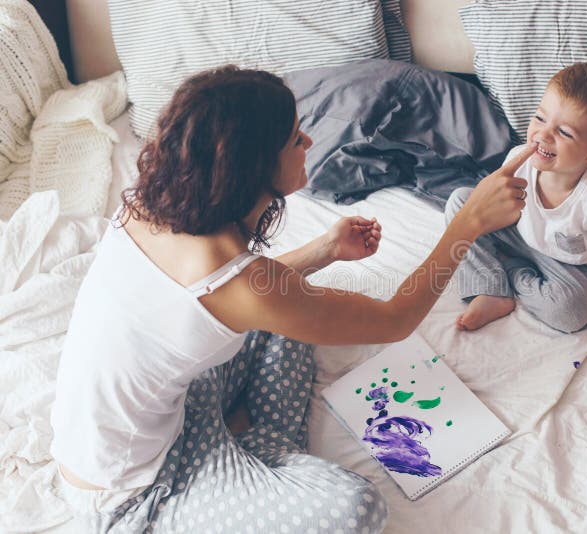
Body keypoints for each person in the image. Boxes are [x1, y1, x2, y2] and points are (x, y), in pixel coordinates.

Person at [50, 65, 535, 533]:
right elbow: (394, 320)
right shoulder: (239, 283)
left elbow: (223, 301)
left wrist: (324, 250)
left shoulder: (150, 203)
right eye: (293, 139)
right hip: (135, 493)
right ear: (252, 166)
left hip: (175, 407)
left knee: (295, 318)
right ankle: (257, 455)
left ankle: (248, 443)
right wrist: (466, 224)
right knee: (355, 509)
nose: (307, 143)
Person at [445, 61, 587, 358]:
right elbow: (496, 202)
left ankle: (507, 272)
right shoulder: (520, 159)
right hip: (523, 233)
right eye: (540, 118)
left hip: (577, 264)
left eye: (564, 132)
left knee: (569, 313)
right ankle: (490, 288)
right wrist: (484, 214)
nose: (543, 135)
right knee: (461, 202)